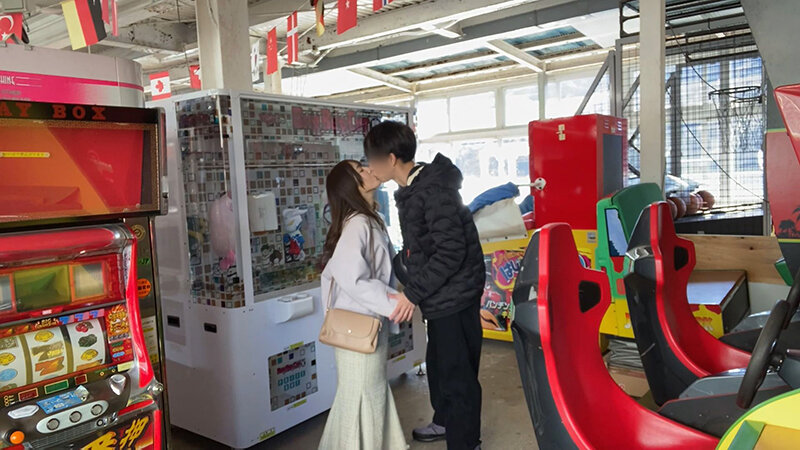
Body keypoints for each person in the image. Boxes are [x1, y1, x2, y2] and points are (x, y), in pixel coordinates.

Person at [364, 121, 485, 450]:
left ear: (390, 159)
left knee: (457, 373)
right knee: (440, 365)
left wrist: (413, 294)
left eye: (371, 160)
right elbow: (426, 246)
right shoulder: (414, 188)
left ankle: (465, 443)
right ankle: (445, 421)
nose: (370, 167)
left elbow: (451, 251)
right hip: (442, 294)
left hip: (455, 295)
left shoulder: (432, 191)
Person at [318, 160, 408, 450]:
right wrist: (395, 303)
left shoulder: (368, 219)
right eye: (361, 170)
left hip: (367, 324)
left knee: (364, 393)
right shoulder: (359, 223)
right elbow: (351, 277)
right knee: (362, 395)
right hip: (360, 326)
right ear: (352, 186)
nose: (369, 169)